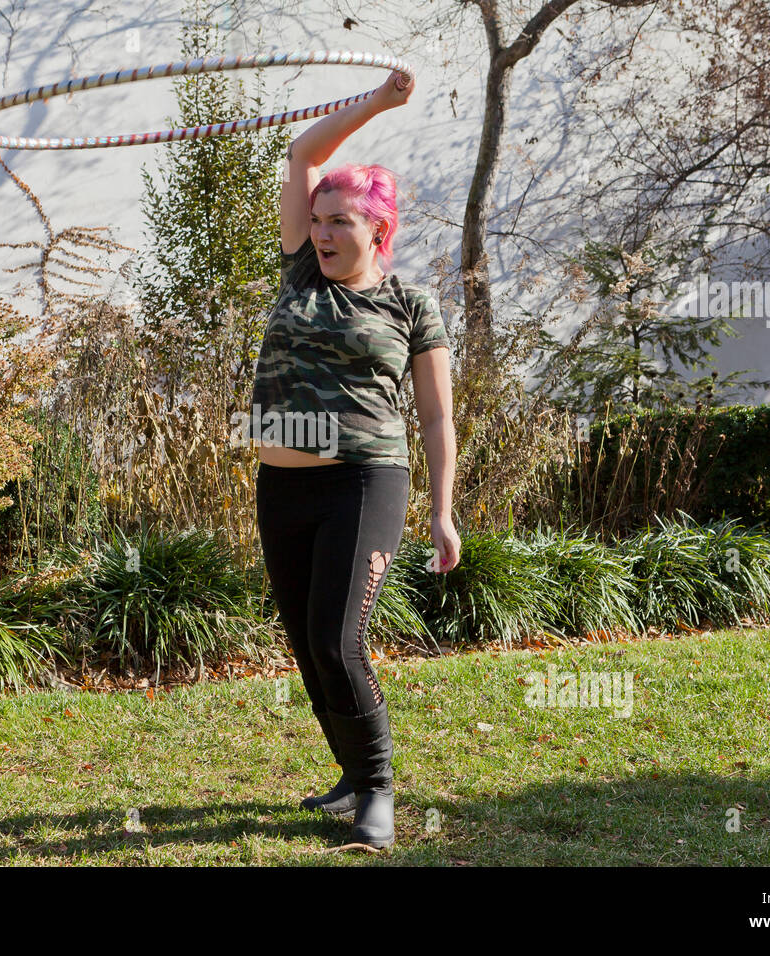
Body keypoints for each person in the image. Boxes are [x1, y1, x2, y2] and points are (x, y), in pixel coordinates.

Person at [249, 69, 461, 850]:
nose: (327, 231)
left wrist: (441, 511)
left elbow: (436, 415)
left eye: (342, 220)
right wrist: (373, 102)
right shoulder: (300, 267)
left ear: (379, 229)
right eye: (319, 218)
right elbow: (303, 149)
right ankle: (348, 776)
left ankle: (377, 792)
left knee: (339, 640)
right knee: (307, 642)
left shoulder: (411, 306)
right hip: (281, 484)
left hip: (365, 481)